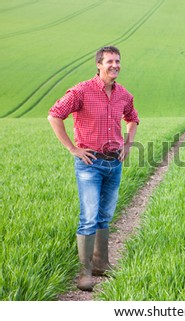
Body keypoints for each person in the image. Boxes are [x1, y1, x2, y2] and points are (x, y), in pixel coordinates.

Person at [48, 46, 139, 291]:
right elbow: (55, 115)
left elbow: (133, 118)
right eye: (110, 61)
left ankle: (101, 263)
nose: (115, 65)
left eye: (118, 61)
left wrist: (128, 144)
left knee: (105, 216)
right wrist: (73, 149)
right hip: (89, 164)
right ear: (99, 64)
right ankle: (84, 272)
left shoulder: (123, 94)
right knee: (88, 218)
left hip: (114, 163)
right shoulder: (81, 91)